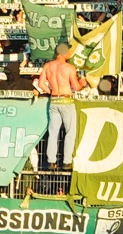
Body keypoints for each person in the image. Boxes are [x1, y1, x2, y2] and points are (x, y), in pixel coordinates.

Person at [34, 41, 86, 169]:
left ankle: (51, 160)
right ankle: (67, 161)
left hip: (54, 100)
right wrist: (83, 82)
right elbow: (76, 87)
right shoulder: (69, 68)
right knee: (70, 132)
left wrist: (51, 92)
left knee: (53, 132)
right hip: (66, 100)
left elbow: (41, 84)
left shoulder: (48, 66)